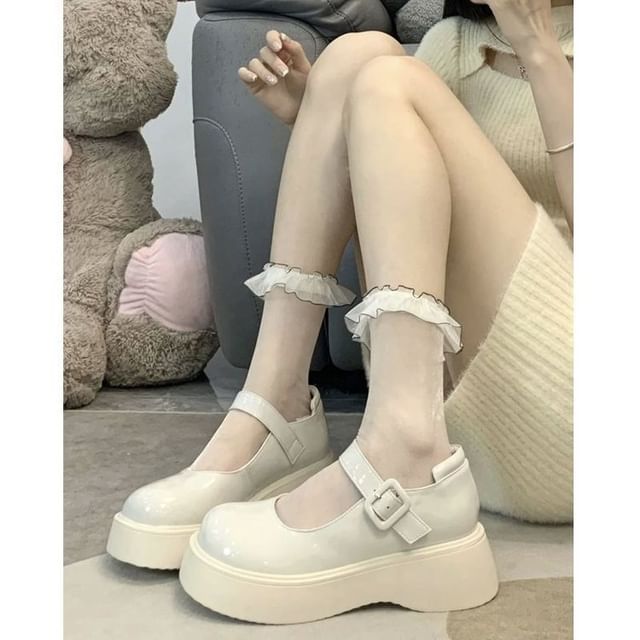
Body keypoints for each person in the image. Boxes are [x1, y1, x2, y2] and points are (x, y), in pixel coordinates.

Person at [107, 0, 573, 624]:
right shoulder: (455, 46)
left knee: (385, 81)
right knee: (356, 60)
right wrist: (332, 123)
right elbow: (412, 225)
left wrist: (541, 52)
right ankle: (276, 409)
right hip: (465, 418)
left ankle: (404, 458)